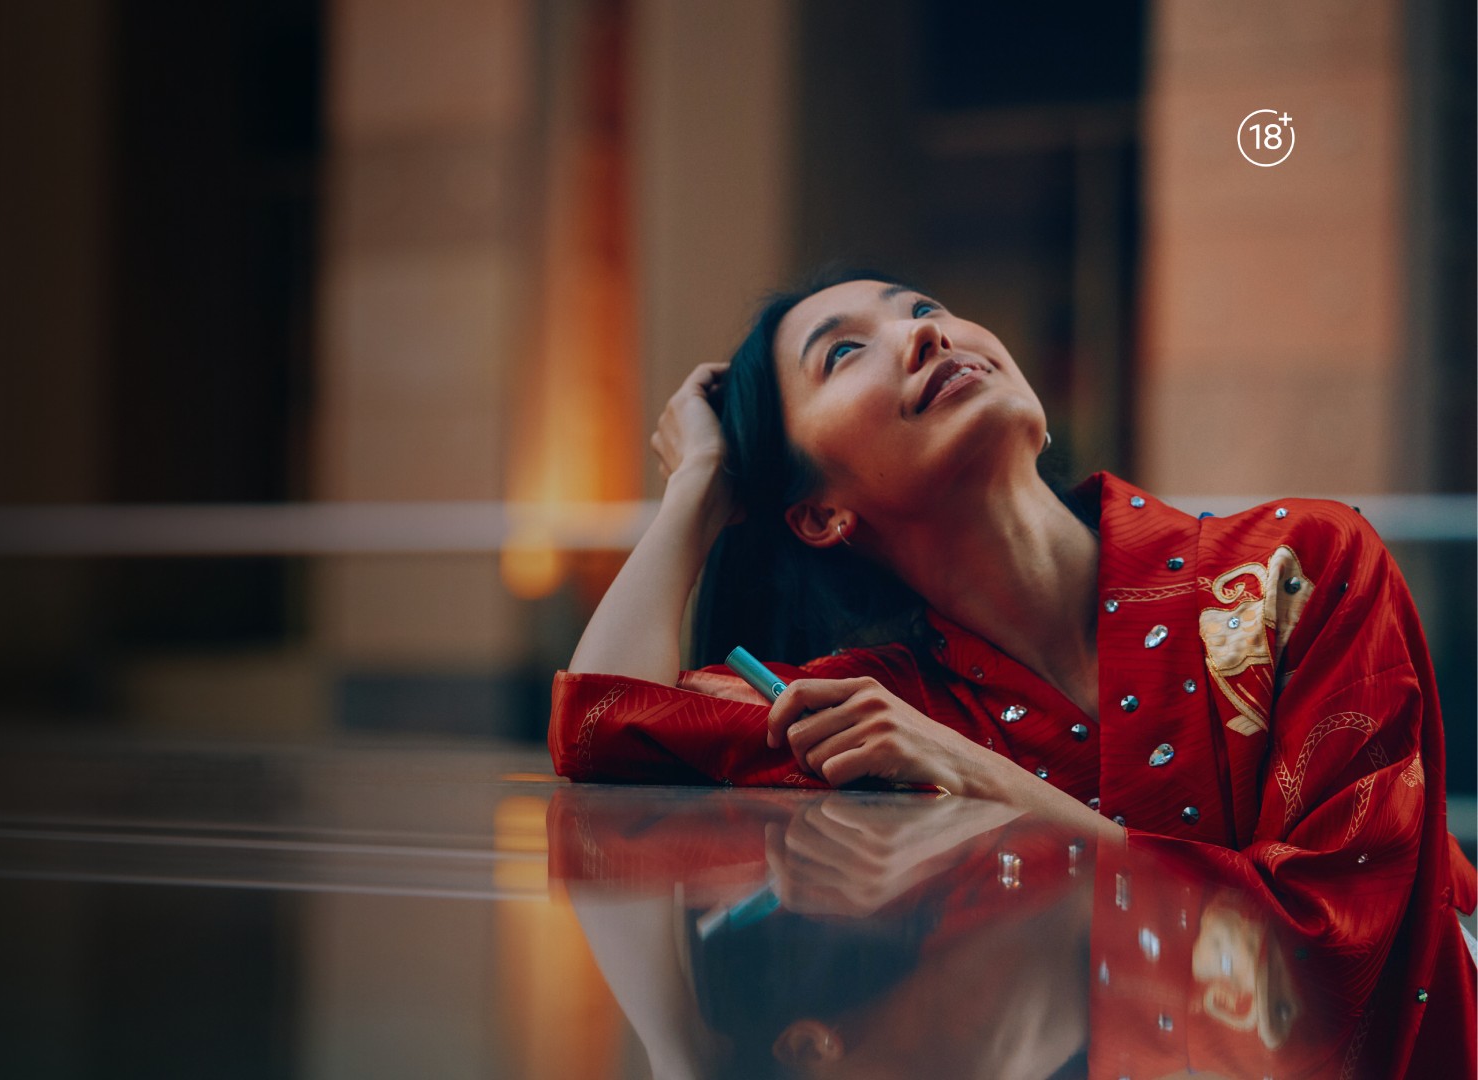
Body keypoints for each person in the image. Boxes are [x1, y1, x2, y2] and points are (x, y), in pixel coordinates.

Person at [547, 264, 1477, 1077]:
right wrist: (697, 490)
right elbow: (607, 728)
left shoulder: (1299, 567)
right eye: (844, 353)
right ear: (820, 515)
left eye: (923, 308)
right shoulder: (888, 708)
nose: (923, 333)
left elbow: (1330, 976)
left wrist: (982, 778)